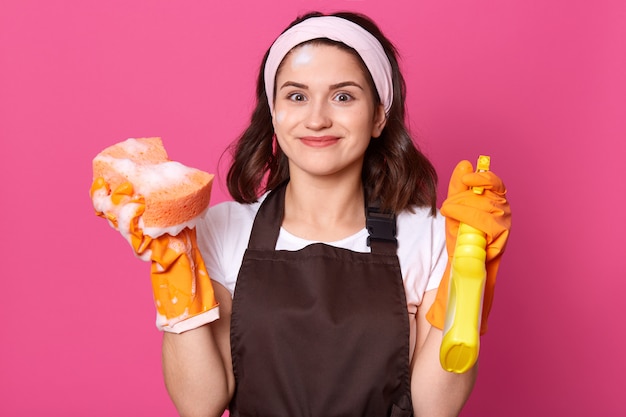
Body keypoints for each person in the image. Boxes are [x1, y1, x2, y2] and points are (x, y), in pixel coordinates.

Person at [92, 10, 511, 417]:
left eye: (343, 96)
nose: (316, 119)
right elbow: (198, 405)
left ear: (379, 115)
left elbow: (436, 408)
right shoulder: (222, 230)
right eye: (296, 96)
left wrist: (470, 275)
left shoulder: (431, 236)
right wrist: (174, 270)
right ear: (274, 113)